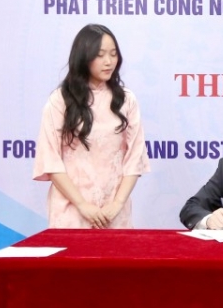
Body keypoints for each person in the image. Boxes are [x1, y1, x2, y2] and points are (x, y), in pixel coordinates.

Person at [33, 24, 149, 228]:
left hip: (114, 212)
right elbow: (50, 160)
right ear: (83, 57)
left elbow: (134, 158)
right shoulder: (60, 100)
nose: (109, 61)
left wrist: (117, 204)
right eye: (100, 54)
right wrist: (82, 204)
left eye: (113, 54)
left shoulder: (126, 100)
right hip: (72, 210)